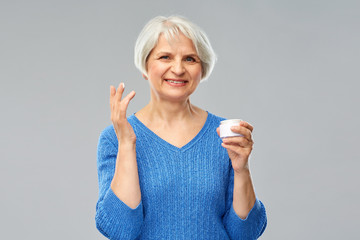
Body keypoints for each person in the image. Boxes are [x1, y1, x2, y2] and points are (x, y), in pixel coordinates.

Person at [95, 15, 267, 240]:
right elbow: (121, 230)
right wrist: (127, 144)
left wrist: (241, 169)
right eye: (165, 57)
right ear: (145, 66)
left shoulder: (225, 135)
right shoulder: (114, 139)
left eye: (190, 59)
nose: (178, 69)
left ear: (202, 69)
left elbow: (245, 234)